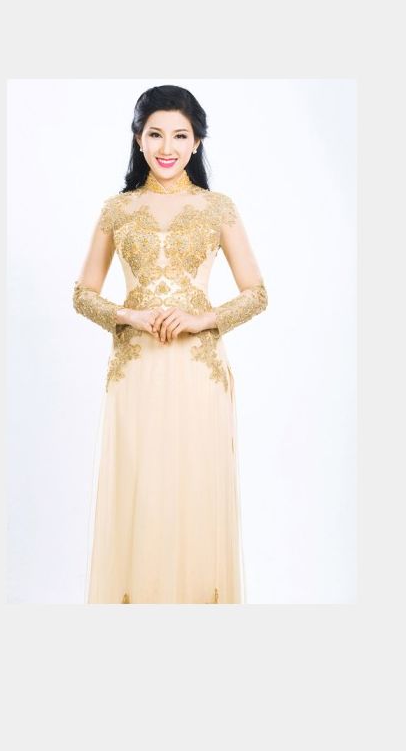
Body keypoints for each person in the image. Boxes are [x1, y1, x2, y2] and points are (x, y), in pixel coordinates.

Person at [73, 85, 268, 604]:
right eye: (155, 134)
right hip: (135, 368)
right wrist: (129, 315)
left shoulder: (217, 208)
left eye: (181, 136)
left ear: (197, 142)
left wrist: (202, 320)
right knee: (141, 489)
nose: (167, 147)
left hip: (197, 370)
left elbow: (256, 293)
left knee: (195, 486)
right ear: (138, 138)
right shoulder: (117, 210)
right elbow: (83, 294)